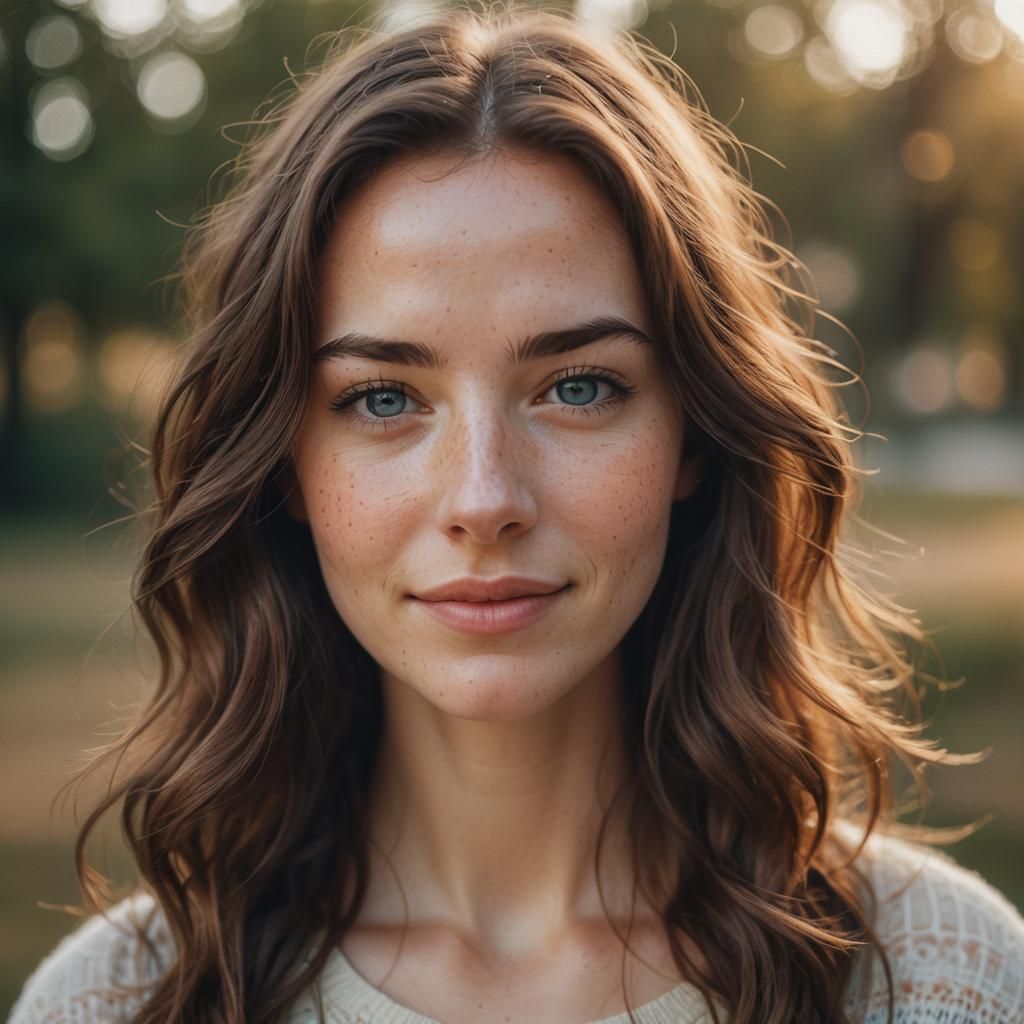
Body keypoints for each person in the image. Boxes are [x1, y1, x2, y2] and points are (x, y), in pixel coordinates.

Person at [10, 4, 1024, 1023]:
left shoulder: (941, 982)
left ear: (695, 434)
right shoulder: (116, 1001)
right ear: (284, 463)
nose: (484, 499)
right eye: (382, 398)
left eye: (577, 387)